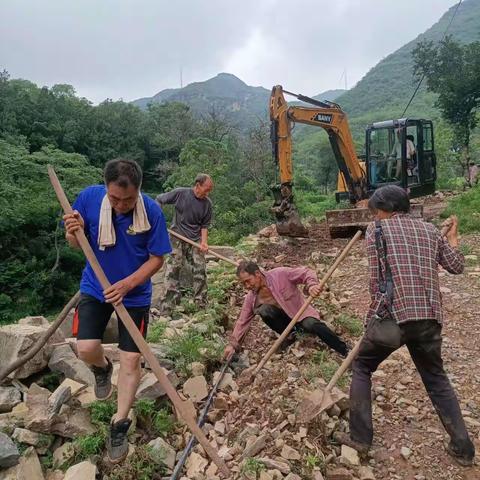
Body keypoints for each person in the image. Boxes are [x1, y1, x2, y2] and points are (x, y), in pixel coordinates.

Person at [334, 185, 475, 467]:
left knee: (361, 366)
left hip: (393, 320)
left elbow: (377, 283)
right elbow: (457, 266)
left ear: (385, 210)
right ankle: (464, 448)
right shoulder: (431, 231)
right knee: (436, 378)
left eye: (376, 212)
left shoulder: (378, 231)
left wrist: (371, 320)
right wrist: (454, 236)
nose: (374, 218)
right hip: (428, 319)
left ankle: (360, 439)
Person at [63, 158, 171, 464]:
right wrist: (74, 232)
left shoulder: (151, 210)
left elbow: (157, 259)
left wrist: (126, 285)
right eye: (115, 199)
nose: (121, 205)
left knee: (132, 359)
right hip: (95, 287)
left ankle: (119, 423)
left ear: (138, 190)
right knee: (85, 348)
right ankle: (101, 369)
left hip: (134, 296)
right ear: (105, 188)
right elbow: (74, 243)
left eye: (128, 199)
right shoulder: (88, 198)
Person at [223, 261, 349, 360]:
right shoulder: (252, 297)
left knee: (312, 324)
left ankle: (345, 351)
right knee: (264, 310)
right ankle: (290, 336)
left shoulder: (280, 274)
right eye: (243, 284)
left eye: (248, 281)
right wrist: (232, 344)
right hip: (286, 325)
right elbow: (242, 320)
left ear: (257, 274)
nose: (247, 286)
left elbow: (306, 272)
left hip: (301, 315)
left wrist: (312, 285)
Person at [156, 174, 214, 314]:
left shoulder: (207, 204)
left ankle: (201, 304)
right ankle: (167, 307)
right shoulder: (180, 193)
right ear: (198, 185)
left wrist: (204, 243)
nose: (207, 193)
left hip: (194, 240)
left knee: (200, 268)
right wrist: (157, 218)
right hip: (177, 236)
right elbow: (159, 199)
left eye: (209, 191)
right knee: (173, 268)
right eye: (206, 189)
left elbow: (204, 226)